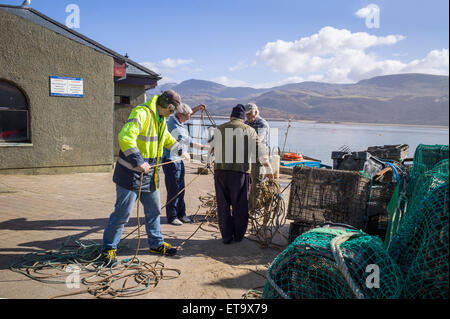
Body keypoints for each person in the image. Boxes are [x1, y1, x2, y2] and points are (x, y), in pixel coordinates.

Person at [101, 90, 190, 264]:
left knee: (154, 211)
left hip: (150, 175)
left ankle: (156, 244)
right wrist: (138, 161)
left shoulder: (161, 119)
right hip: (129, 174)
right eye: (173, 109)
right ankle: (108, 248)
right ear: (167, 106)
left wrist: (180, 150)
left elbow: (165, 139)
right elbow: (125, 137)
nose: (174, 113)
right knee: (122, 214)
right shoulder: (141, 113)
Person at [210, 104, 274, 244]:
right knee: (240, 206)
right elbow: (261, 152)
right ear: (243, 118)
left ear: (230, 117)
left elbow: (211, 148)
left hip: (220, 173)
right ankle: (238, 236)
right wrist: (269, 169)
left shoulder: (220, 129)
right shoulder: (249, 130)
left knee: (223, 205)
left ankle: (226, 237)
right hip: (240, 174)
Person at [162, 102, 210, 226]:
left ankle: (181, 214)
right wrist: (205, 148)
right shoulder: (174, 126)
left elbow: (187, 113)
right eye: (188, 116)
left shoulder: (178, 119)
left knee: (181, 188)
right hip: (171, 160)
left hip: (178, 159)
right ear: (181, 116)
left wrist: (197, 108)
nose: (190, 117)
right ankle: (172, 216)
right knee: (174, 189)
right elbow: (188, 142)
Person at [244, 103, 271, 213]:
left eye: (251, 114)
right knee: (246, 181)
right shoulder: (245, 123)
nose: (249, 117)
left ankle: (253, 209)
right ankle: (247, 204)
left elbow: (257, 140)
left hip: (259, 157)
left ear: (256, 112)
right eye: (247, 115)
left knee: (257, 182)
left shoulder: (262, 124)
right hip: (247, 156)